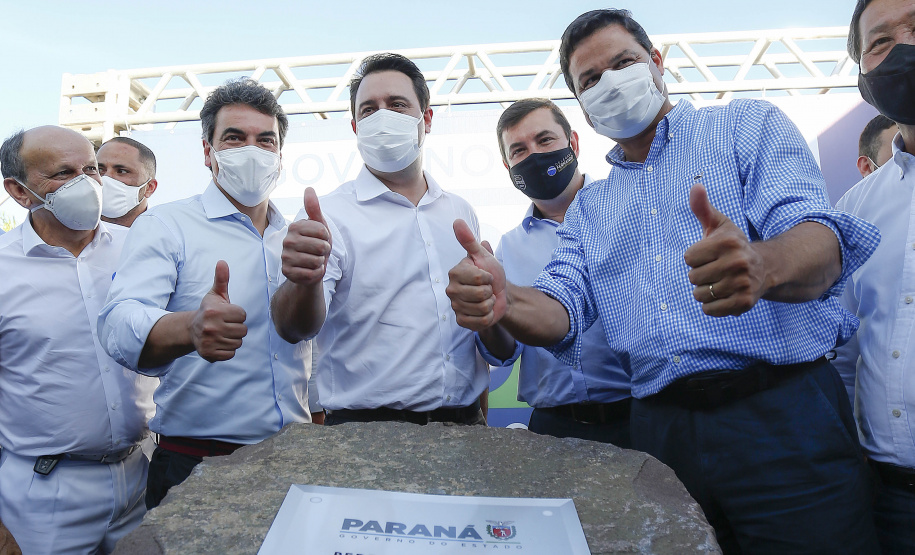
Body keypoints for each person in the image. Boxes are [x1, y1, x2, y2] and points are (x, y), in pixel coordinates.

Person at [446, 9, 882, 554]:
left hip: (780, 417)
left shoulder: (745, 126)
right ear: (583, 105)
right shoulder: (591, 209)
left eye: (623, 62)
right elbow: (559, 307)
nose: (610, 83)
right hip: (659, 435)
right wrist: (505, 299)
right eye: (590, 81)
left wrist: (763, 263)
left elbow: (819, 237)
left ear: (657, 63)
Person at [98, 78, 312, 510]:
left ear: (278, 156)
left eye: (264, 140)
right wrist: (189, 326)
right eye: (234, 138)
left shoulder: (294, 238)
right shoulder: (167, 225)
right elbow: (119, 323)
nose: (251, 149)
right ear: (207, 152)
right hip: (194, 464)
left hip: (292, 460)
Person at [272, 53, 488, 426]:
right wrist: (302, 283)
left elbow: (474, 332)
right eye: (369, 110)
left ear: (427, 119)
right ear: (356, 127)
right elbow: (293, 328)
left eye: (397, 105)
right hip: (366, 433)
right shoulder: (326, 216)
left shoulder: (460, 211)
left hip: (465, 426)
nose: (382, 116)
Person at [0, 126, 149, 554]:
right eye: (64, 173)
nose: (85, 183)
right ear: (20, 191)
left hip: (139, 477)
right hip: (43, 496)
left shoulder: (139, 248)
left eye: (91, 169)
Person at [475, 98, 631, 444]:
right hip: (553, 427)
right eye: (518, 150)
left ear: (573, 143)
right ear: (507, 165)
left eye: (545, 141)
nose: (533, 156)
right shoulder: (508, 249)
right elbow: (503, 353)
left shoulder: (627, 209)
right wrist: (487, 313)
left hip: (638, 417)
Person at [834, 1, 915, 552]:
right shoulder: (857, 209)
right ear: (865, 77)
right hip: (891, 499)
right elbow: (843, 348)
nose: (905, 49)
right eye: (881, 42)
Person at [98, 136, 159, 227]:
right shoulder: (72, 232)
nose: (106, 177)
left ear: (149, 187)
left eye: (122, 171)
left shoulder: (167, 235)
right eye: (99, 170)